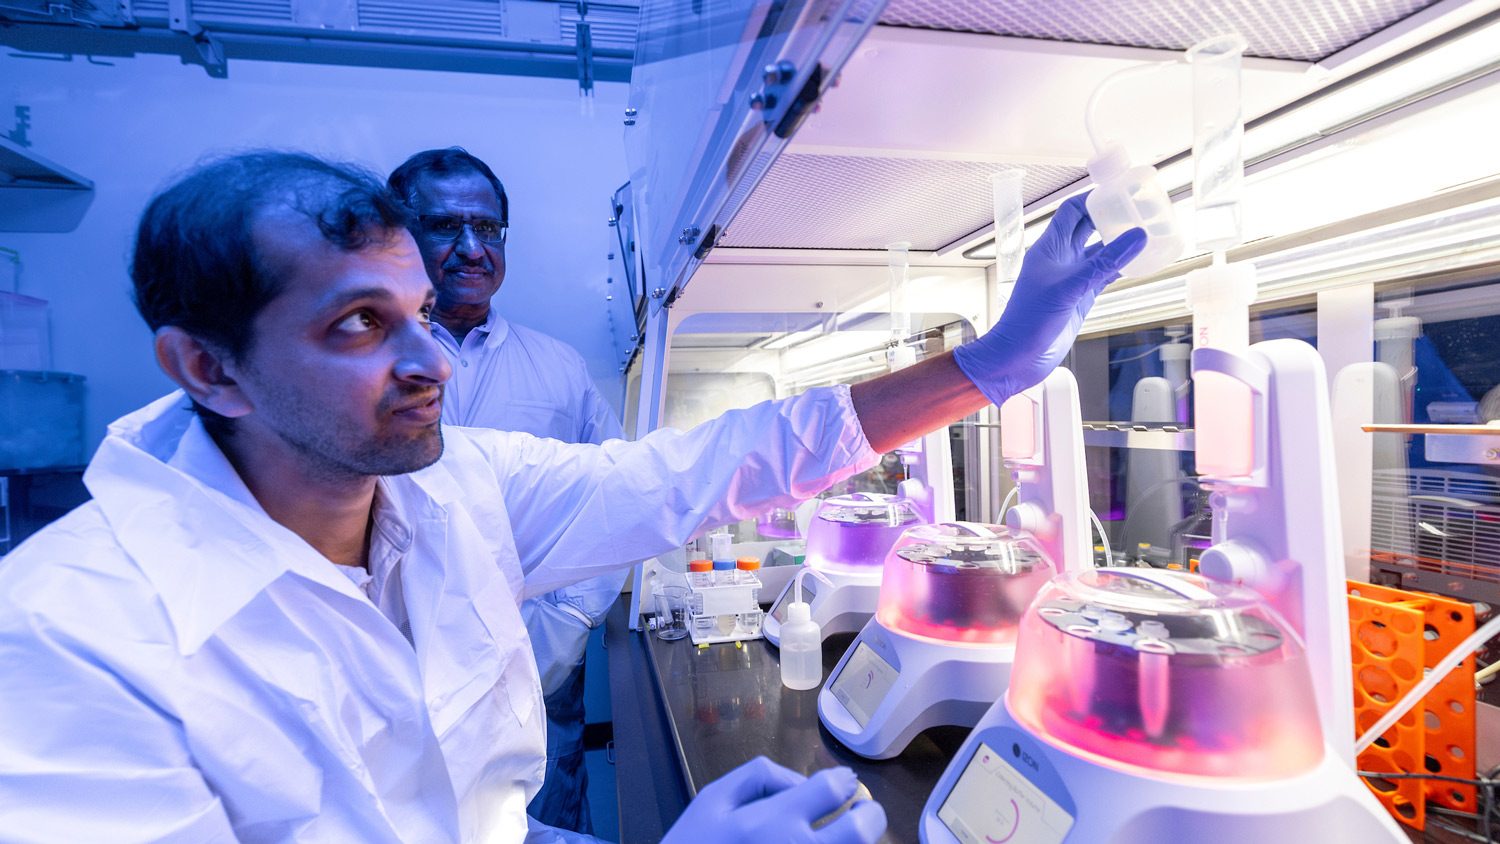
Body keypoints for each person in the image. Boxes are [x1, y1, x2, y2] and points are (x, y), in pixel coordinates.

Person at [0, 151, 1144, 843]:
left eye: (416, 312)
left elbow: (698, 468)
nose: (432, 361)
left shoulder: (457, 486)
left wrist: (988, 367)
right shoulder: (66, 636)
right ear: (207, 367)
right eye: (358, 323)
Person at [387, 147, 626, 834]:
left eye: (488, 229)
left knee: (546, 809)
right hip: (401, 671)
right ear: (401, 237)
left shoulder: (556, 368)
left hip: (543, 669)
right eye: (444, 227)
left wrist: (568, 625)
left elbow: (614, 497)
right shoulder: (361, 364)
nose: (471, 248)